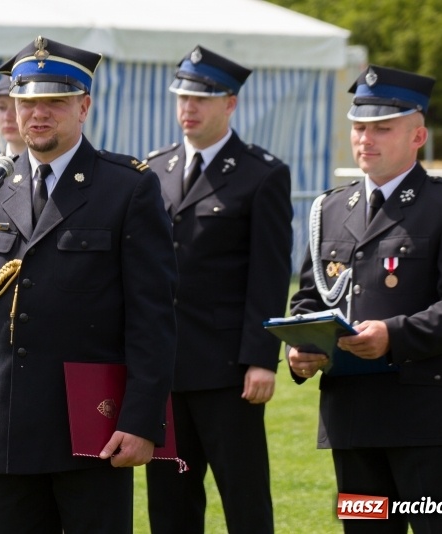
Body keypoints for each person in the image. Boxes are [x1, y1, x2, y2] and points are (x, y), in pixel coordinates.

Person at [0, 36, 178, 533]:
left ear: (84, 106)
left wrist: (140, 420)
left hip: (92, 425)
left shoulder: (128, 187)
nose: (37, 114)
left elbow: (152, 319)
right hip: (5, 423)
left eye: (54, 102)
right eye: (26, 103)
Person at [287, 65, 442, 533]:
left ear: (417, 135)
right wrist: (300, 349)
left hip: (420, 416)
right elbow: (308, 299)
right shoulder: (331, 207)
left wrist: (393, 336)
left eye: (382, 128)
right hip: (350, 418)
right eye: (359, 127)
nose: (365, 139)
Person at [143, 45, 293, 533]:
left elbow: (268, 275)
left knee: (244, 500)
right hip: (163, 372)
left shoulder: (261, 173)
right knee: (171, 504)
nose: (188, 108)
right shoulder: (154, 171)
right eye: (182, 97)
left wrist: (260, 359)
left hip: (228, 373)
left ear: (230, 104)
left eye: (201, 99)